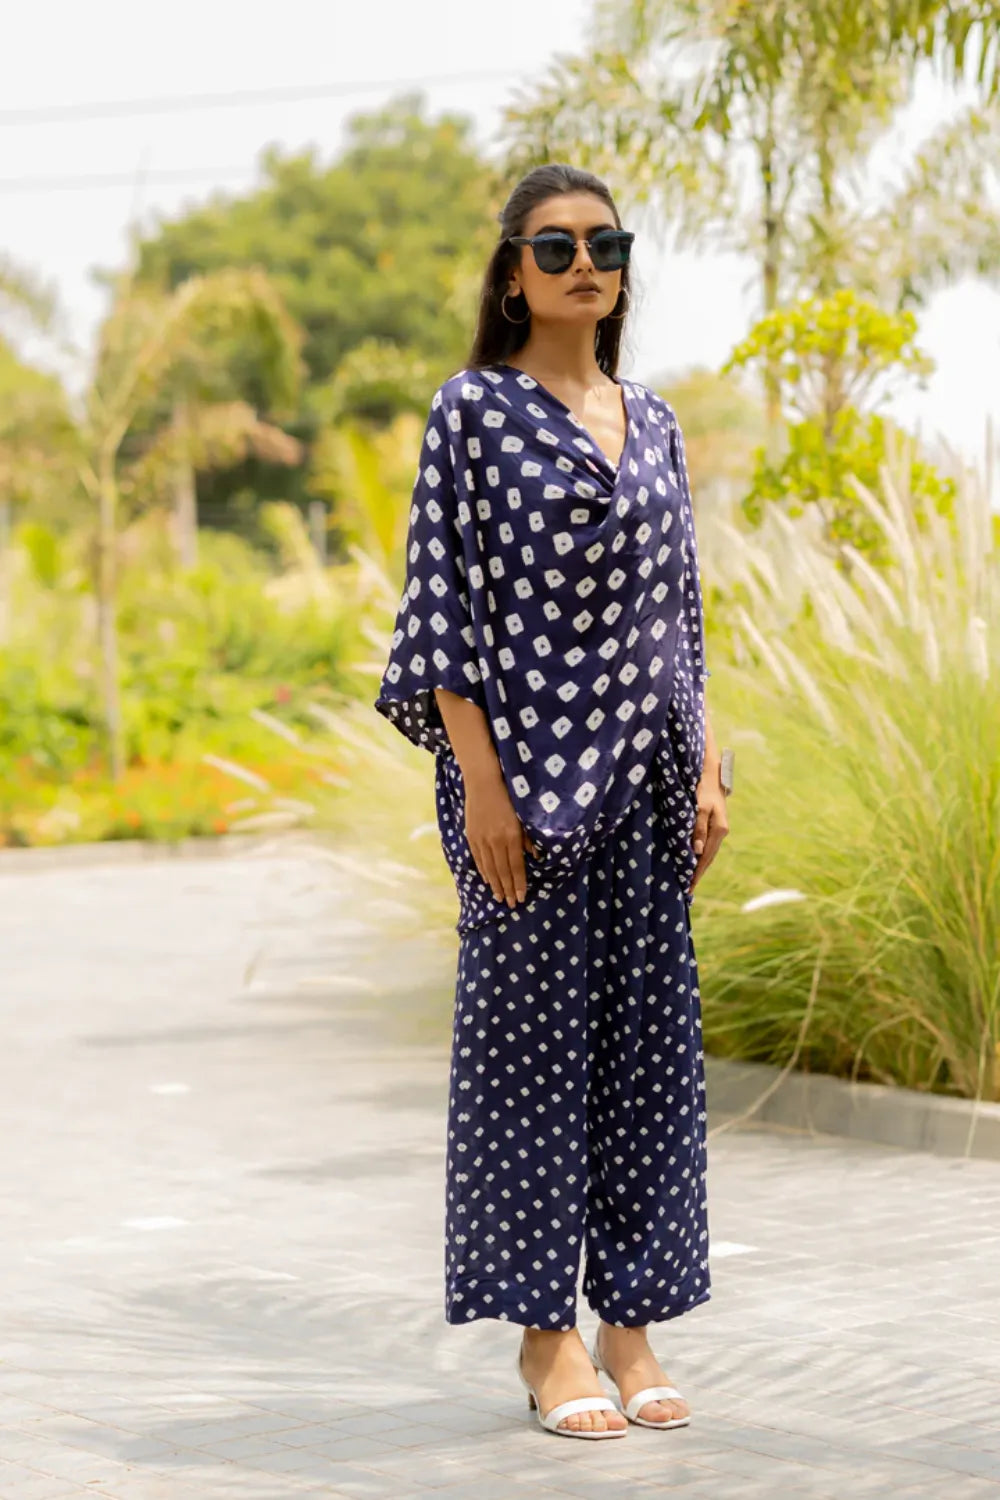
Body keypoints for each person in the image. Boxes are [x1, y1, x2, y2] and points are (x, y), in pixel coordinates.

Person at [375, 163, 729, 1439]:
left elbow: (680, 612)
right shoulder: (471, 411)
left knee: (646, 1063)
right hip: (522, 792)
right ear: (513, 275)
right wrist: (479, 778)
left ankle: (629, 1327)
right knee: (528, 1068)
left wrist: (707, 763)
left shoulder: (657, 420)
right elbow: (439, 606)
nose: (585, 263)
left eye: (605, 244)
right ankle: (546, 1343)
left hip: (646, 785)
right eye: (556, 245)